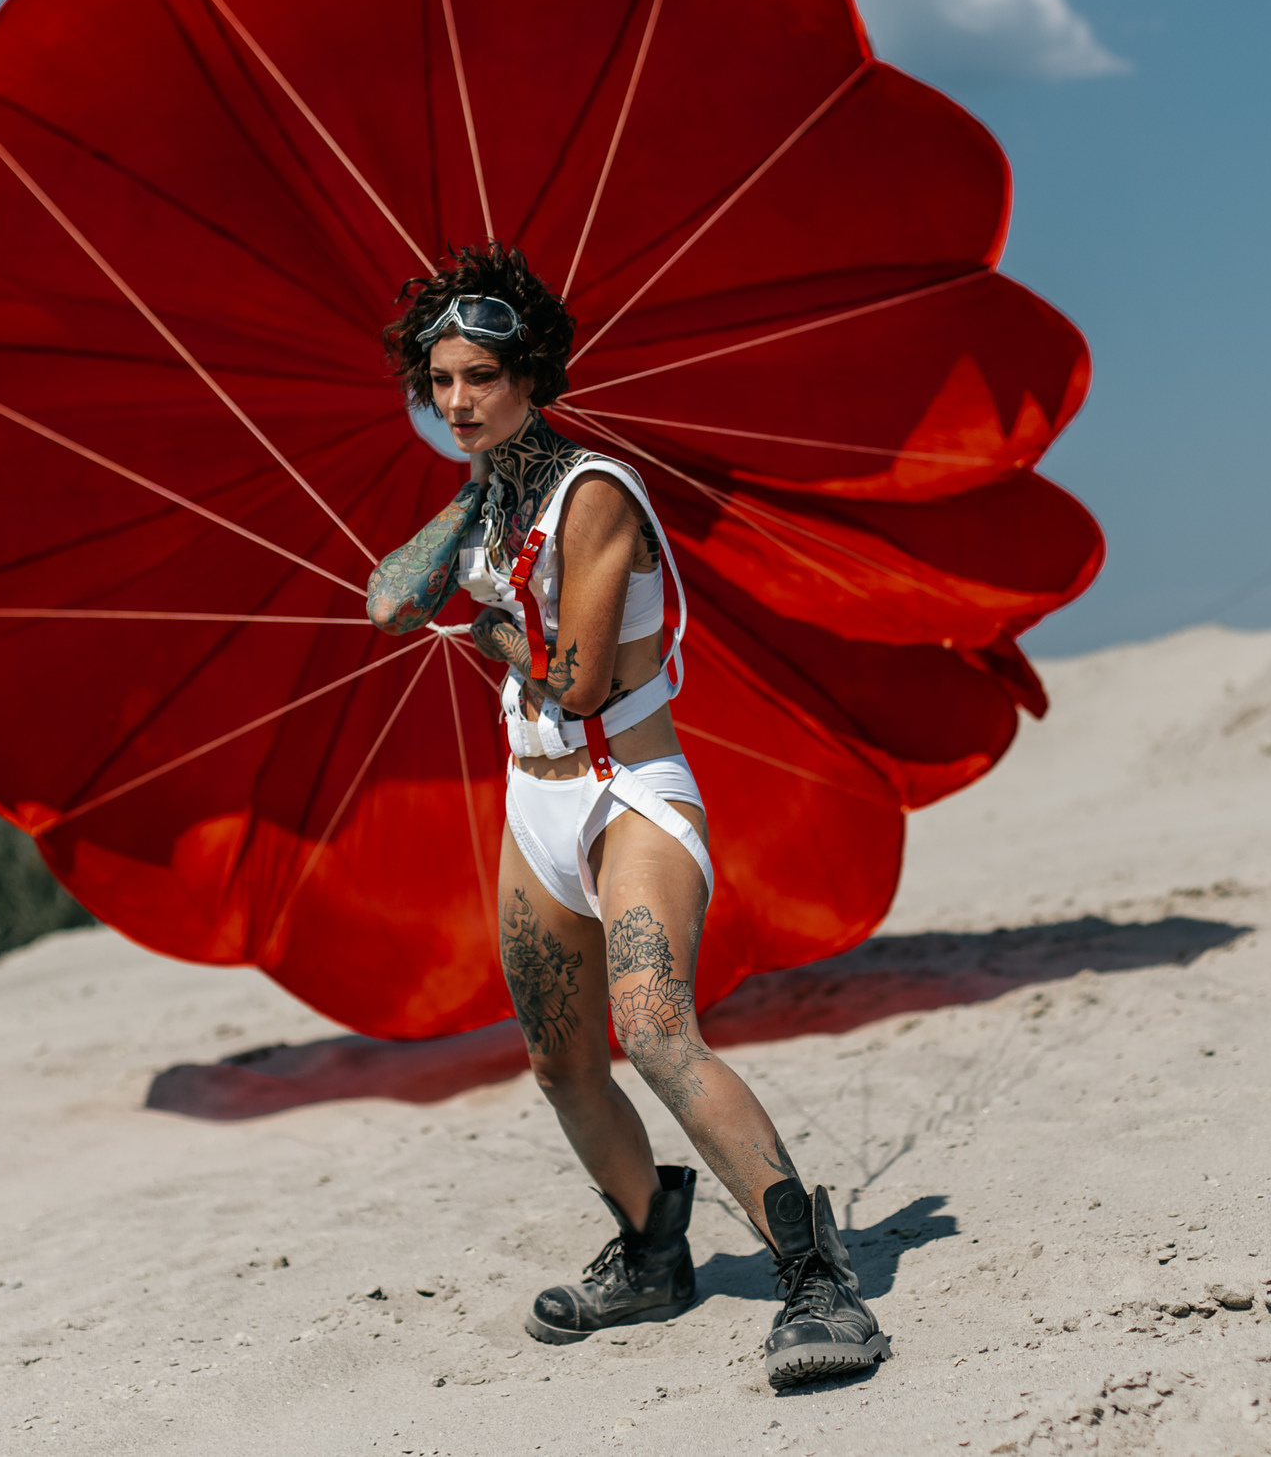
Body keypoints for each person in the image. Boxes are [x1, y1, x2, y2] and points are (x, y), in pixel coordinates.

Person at [366, 244, 888, 1390]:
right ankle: (654, 1253)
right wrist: (468, 506)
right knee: (558, 1064)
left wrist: (492, 627)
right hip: (532, 810)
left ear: (531, 377)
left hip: (629, 796)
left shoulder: (592, 492)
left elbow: (576, 682)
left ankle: (815, 1280)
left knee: (653, 1031)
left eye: (480, 379)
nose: (456, 402)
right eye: (440, 382)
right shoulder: (489, 503)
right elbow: (388, 600)